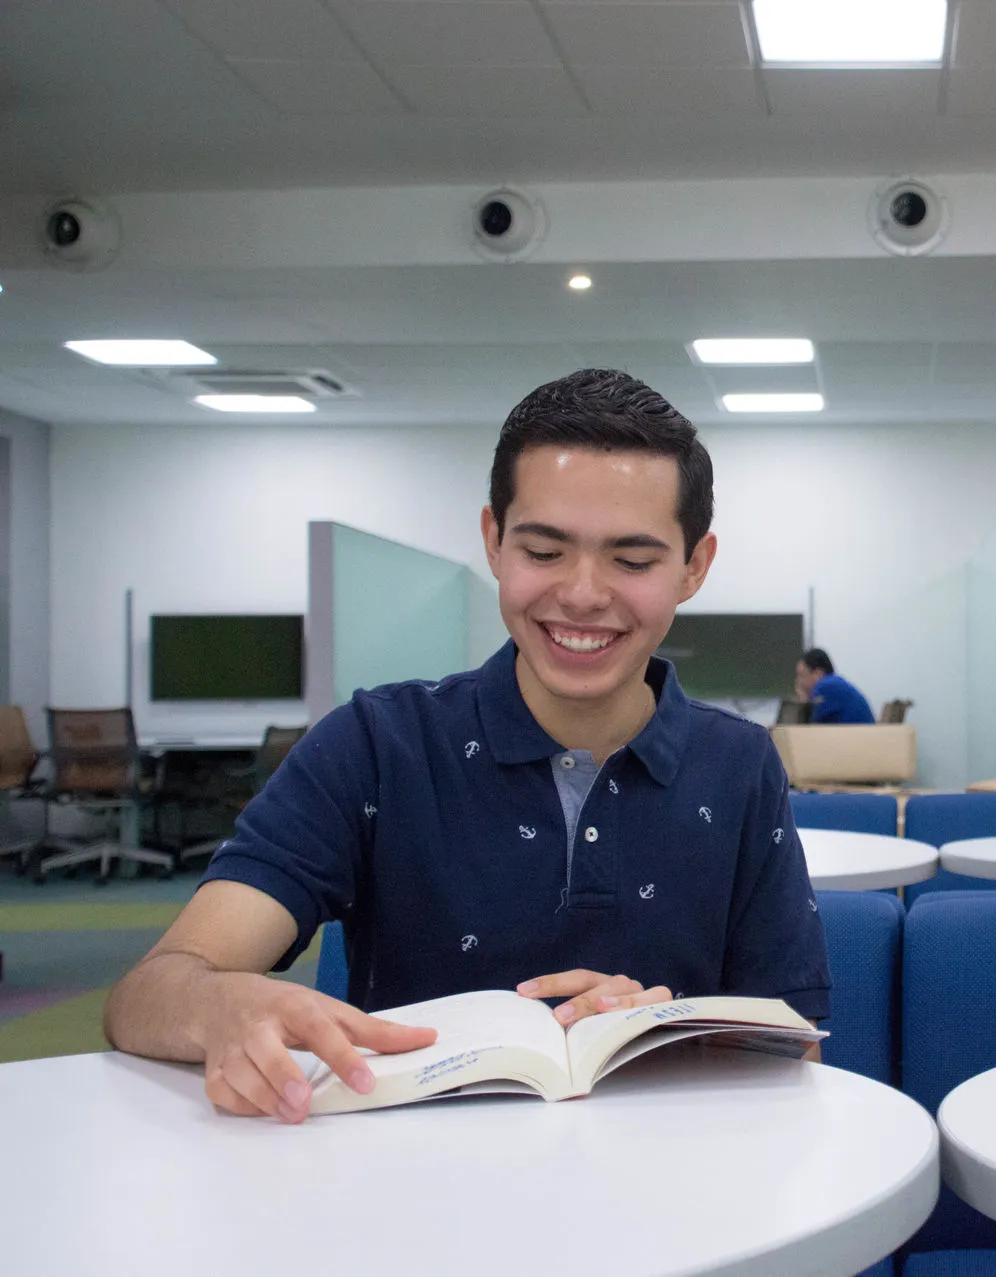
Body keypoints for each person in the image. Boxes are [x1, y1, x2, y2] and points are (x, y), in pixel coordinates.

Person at [104, 369, 830, 1122]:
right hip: (402, 1195)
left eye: (633, 560)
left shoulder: (740, 767)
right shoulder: (375, 746)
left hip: (667, 1196)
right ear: (493, 540)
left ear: (694, 567)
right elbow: (146, 994)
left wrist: (665, 1030)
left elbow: (796, 1055)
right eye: (544, 551)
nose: (582, 593)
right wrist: (219, 1002)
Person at [794, 648, 875, 724]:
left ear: (818, 674)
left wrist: (803, 699)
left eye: (801, 675)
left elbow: (805, 728)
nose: (798, 681)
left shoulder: (824, 687)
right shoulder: (835, 683)